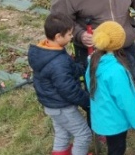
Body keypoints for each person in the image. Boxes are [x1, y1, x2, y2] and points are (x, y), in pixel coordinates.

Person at [28, 13, 91, 155]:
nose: (72, 37)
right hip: (62, 106)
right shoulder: (58, 63)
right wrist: (88, 101)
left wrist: (83, 67)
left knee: (63, 132)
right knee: (83, 134)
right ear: (58, 36)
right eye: (69, 34)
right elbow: (69, 89)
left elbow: (69, 68)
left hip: (52, 104)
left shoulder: (47, 51)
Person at [85, 21, 135, 155]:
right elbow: (126, 100)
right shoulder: (116, 70)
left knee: (113, 147)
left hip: (101, 117)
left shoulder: (93, 62)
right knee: (117, 149)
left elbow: (90, 87)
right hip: (115, 122)